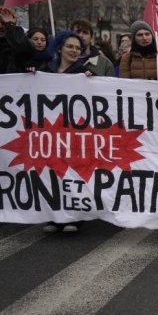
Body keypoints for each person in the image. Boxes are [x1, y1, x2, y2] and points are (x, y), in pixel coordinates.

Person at [40, 30, 93, 232]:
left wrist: (90, 80)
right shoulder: (47, 69)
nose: (74, 51)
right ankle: (54, 217)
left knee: (73, 173)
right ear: (60, 48)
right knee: (53, 172)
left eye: (78, 48)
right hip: (52, 131)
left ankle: (74, 217)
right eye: (70, 47)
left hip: (76, 132)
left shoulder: (85, 71)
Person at [0, 7, 33, 74]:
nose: (0, 27)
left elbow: (23, 49)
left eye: (3, 23)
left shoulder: (17, 39)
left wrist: (10, 24)